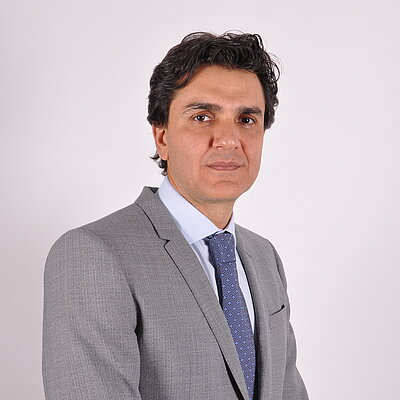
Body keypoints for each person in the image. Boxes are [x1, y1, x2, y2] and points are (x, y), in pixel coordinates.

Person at [42, 32, 309, 400]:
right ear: (162, 137)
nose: (229, 140)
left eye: (247, 119)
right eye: (202, 117)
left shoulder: (264, 258)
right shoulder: (92, 255)